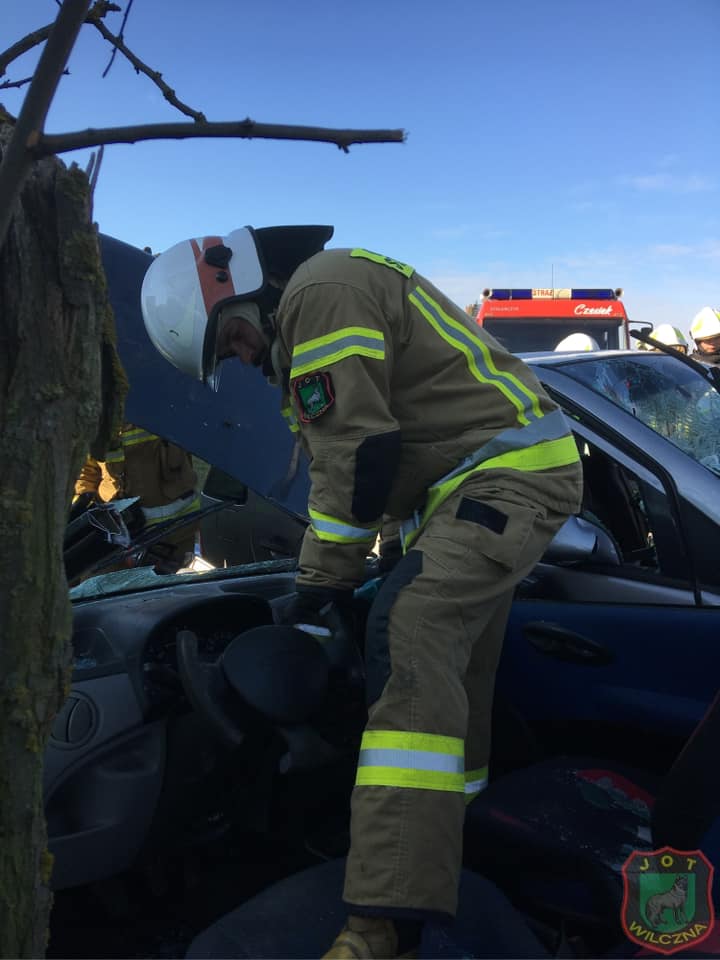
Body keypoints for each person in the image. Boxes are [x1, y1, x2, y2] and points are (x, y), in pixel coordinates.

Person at [141, 226, 583, 959]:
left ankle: (385, 920)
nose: (242, 360)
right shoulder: (315, 310)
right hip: (471, 488)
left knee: (410, 628)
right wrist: (333, 578)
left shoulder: (319, 292)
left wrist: (320, 584)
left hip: (502, 477)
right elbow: (352, 466)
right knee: (453, 669)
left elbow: (357, 456)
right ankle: (454, 846)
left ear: (235, 286)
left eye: (233, 342)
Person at [73, 422, 201, 572]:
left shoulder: (170, 413)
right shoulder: (96, 421)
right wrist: (82, 506)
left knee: (172, 588)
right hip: (118, 537)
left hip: (176, 534)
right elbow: (85, 472)